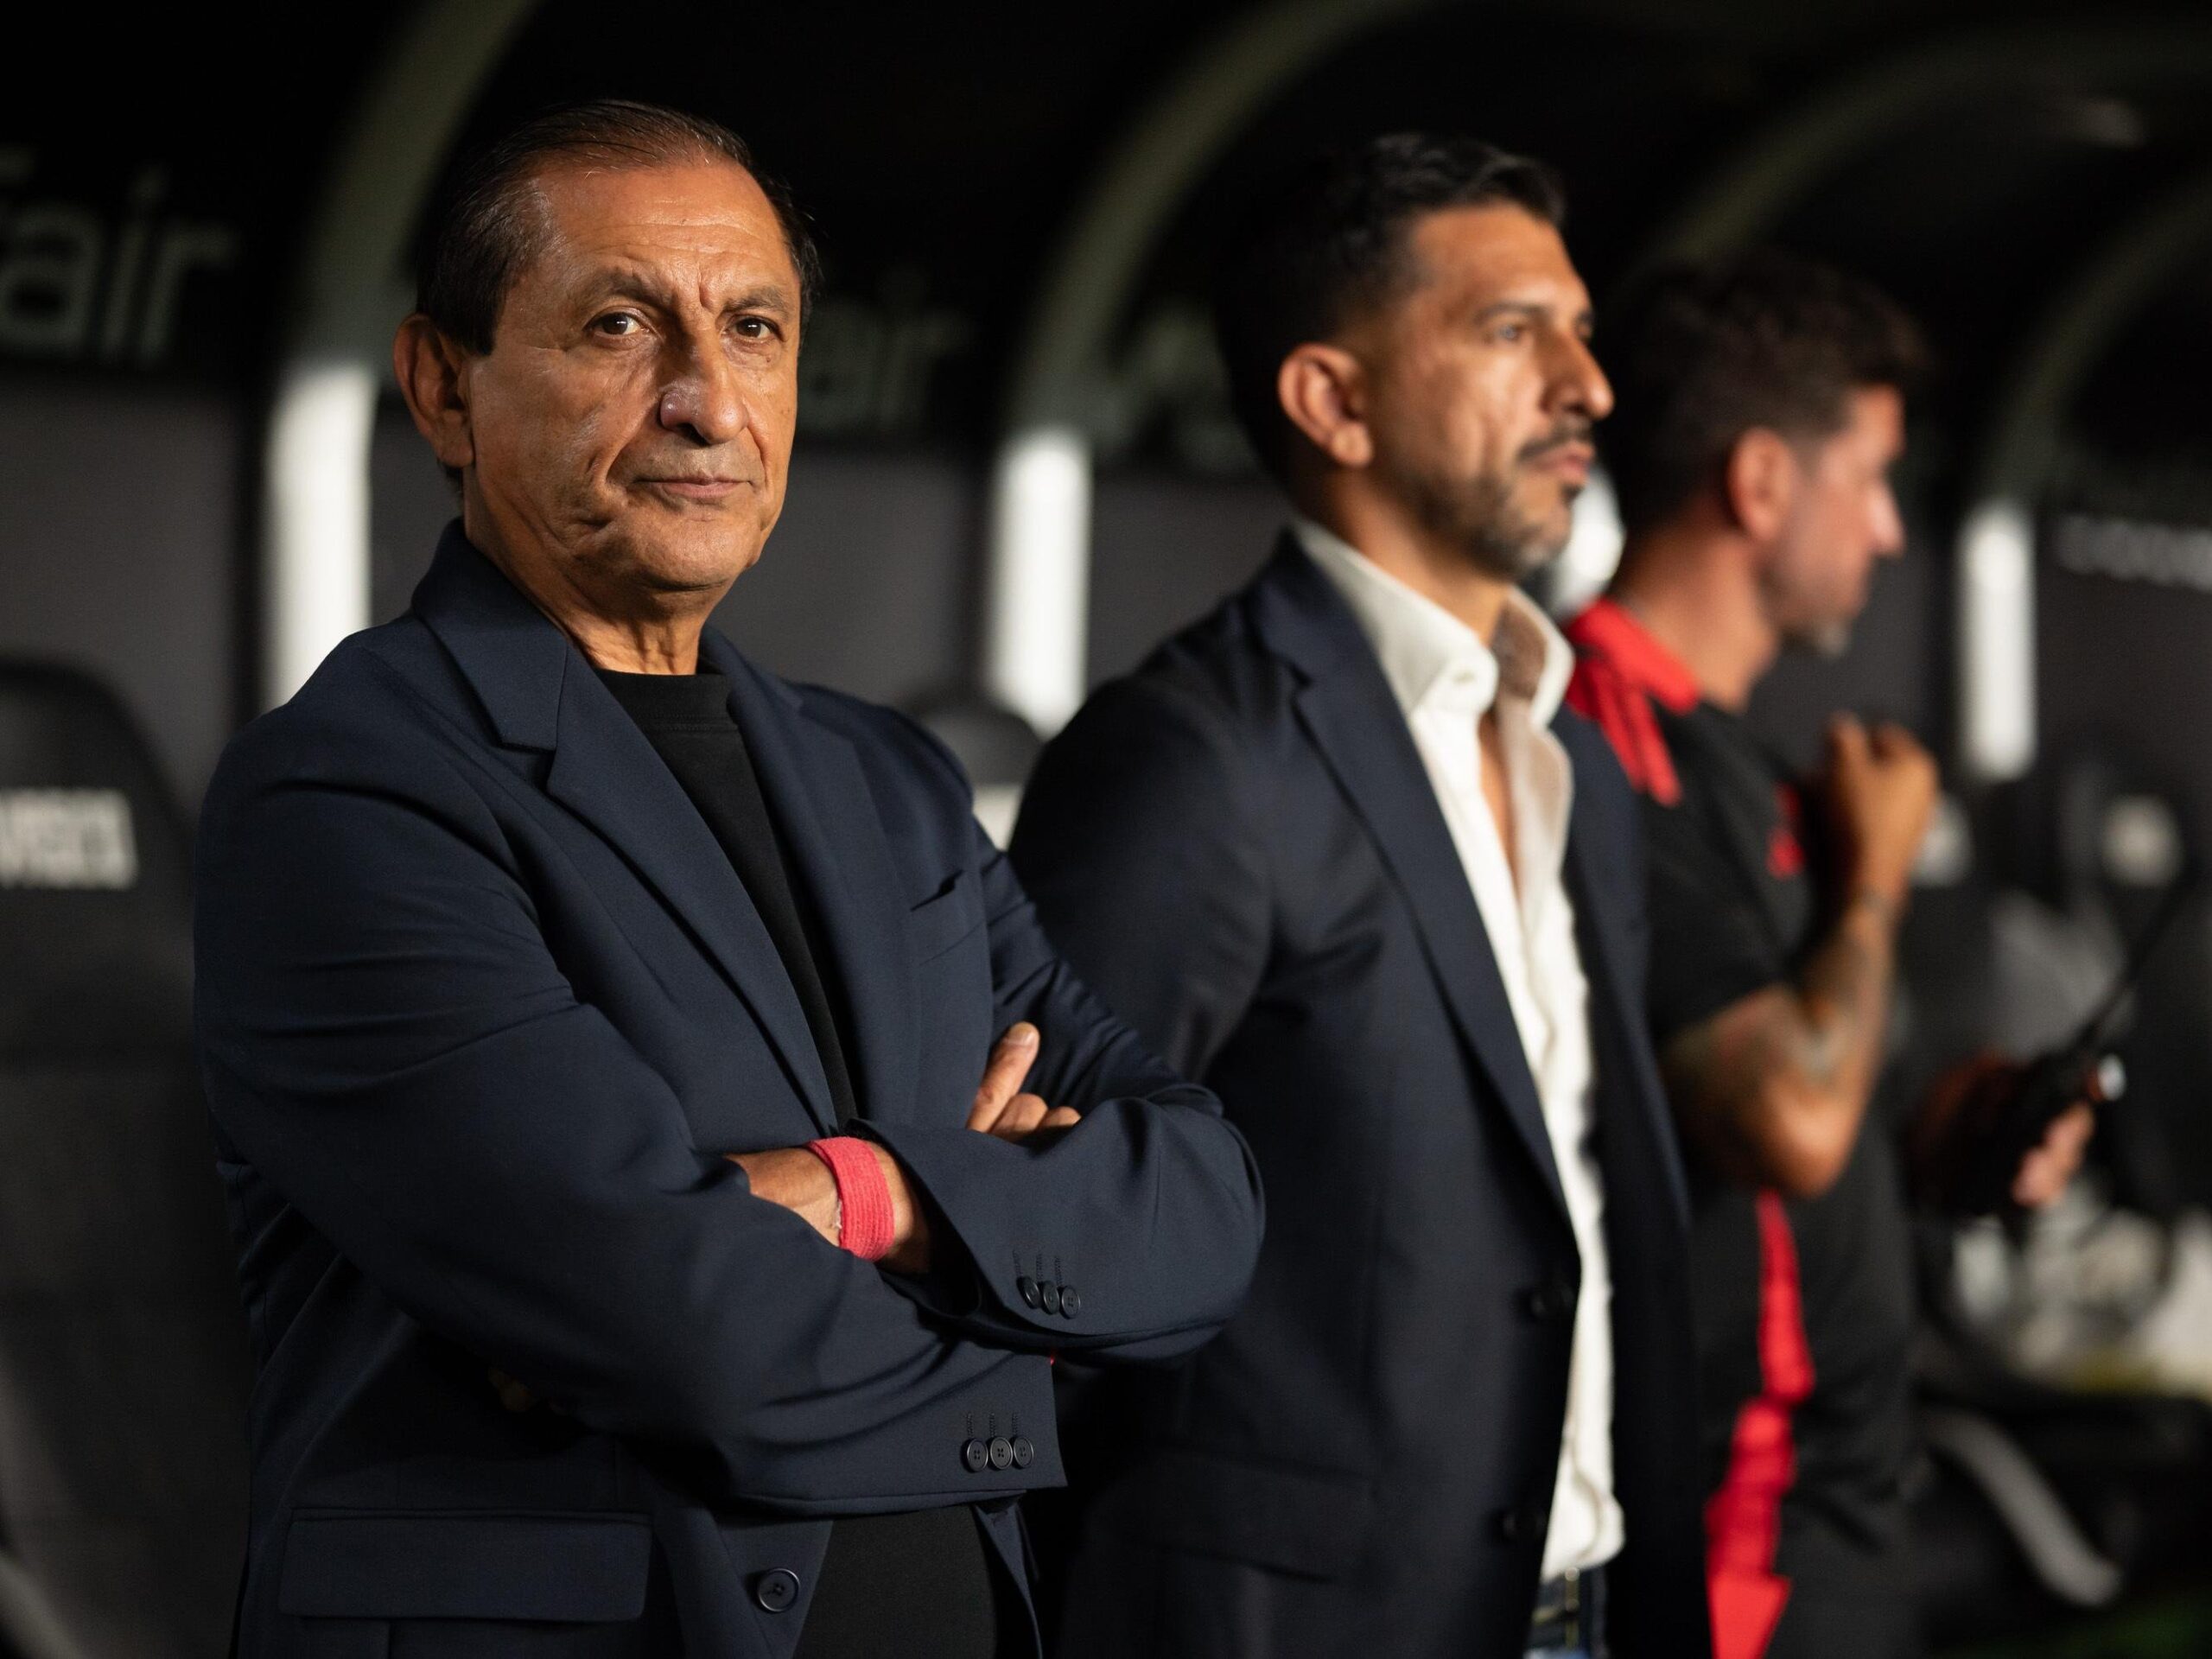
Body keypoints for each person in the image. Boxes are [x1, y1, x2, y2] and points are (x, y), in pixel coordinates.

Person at [193, 100, 1262, 1658]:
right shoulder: (349, 794)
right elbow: (680, 1320)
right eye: (620, 326)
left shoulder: (887, 782)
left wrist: (865, 1194)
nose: (705, 399)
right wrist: (1027, 1290)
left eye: (753, 329)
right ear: (442, 386)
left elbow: (1207, 1206)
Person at [1008, 135, 1709, 1658]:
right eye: (1514, 331)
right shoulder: (1192, 756)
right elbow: (1043, 1271)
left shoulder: (1571, 758)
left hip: (1588, 1609)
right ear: (1332, 400)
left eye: (1583, 332)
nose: (1589, 386)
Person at [1565, 251, 2094, 1659]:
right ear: (1758, 483)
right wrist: (1873, 883)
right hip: (1728, 1536)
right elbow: (1785, 1121)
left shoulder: (1746, 758)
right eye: (1867, 479)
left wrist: (1960, 1133)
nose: (1887, 530)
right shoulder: (1595, 736)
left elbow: (1830, 1118)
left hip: (1846, 1508)